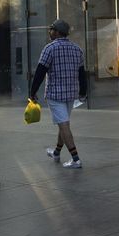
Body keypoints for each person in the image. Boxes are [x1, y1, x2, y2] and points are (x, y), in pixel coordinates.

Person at [29, 19, 86, 169]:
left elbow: (40, 72)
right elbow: (82, 74)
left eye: (51, 29)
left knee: (64, 125)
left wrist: (32, 92)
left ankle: (75, 159)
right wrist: (83, 92)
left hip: (55, 94)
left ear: (57, 32)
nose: (49, 32)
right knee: (64, 123)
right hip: (71, 93)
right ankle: (56, 153)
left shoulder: (49, 49)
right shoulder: (77, 49)